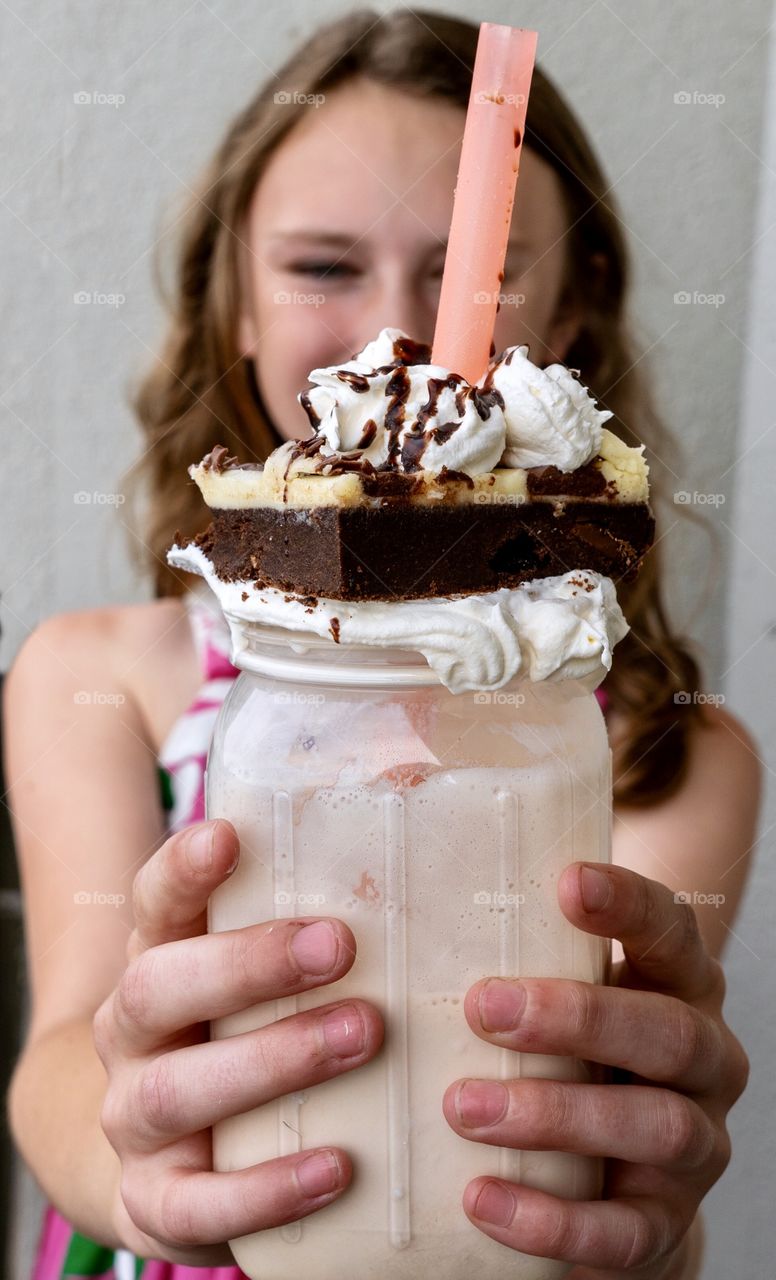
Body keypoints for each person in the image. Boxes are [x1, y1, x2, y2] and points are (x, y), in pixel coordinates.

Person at [4, 10, 760, 1280]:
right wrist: (134, 1164)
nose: (390, 339)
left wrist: (645, 1225)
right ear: (233, 304)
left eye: (469, 273)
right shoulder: (94, 675)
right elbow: (62, 1049)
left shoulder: (662, 750)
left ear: (573, 310)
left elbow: (600, 1132)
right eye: (320, 266)